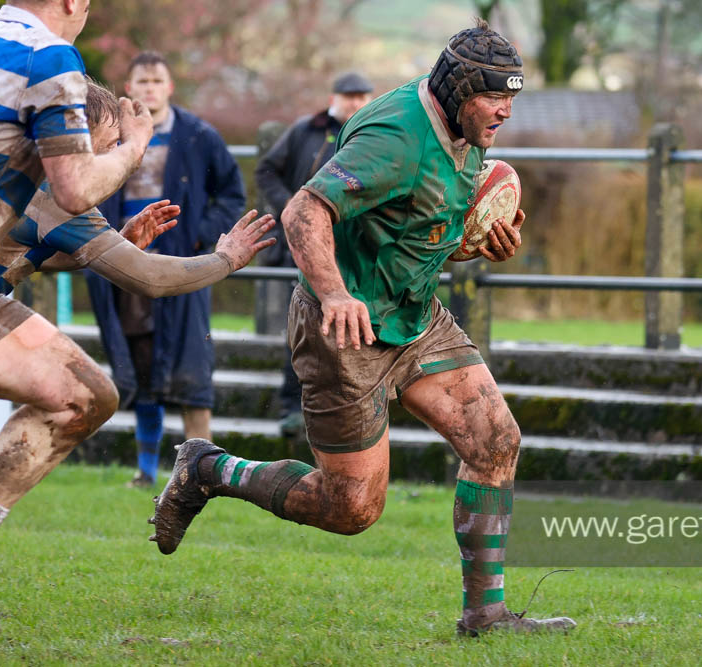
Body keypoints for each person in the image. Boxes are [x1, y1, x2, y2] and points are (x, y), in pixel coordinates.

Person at [148, 20, 575, 637]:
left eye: (513, 95)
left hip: (416, 317)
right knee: (351, 509)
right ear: (456, 88)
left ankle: (486, 614)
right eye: (493, 95)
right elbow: (304, 210)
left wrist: (475, 243)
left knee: (495, 441)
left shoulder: (467, 129)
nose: (505, 109)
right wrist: (334, 292)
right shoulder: (395, 136)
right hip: (343, 332)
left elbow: (416, 226)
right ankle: (208, 469)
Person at [0, 79, 276, 531]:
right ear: (80, 135)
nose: (120, 160)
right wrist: (225, 259)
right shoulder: (60, 190)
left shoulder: (23, 165)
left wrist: (118, 242)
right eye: (113, 144)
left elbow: (23, 250)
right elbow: (150, 278)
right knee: (81, 398)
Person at [0, 0, 154, 637]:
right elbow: (75, 188)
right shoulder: (49, 57)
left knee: (84, 395)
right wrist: (133, 147)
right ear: (72, 3)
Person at [85, 51, 247, 489]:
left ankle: (205, 473)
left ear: (169, 88)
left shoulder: (198, 137)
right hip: (122, 259)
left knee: (191, 368)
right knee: (141, 369)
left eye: (158, 80)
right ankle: (145, 470)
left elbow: (232, 194)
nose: (150, 88)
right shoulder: (109, 135)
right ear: (129, 89)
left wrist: (200, 235)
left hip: (180, 265)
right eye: (142, 81)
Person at [254, 71, 374, 436]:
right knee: (305, 329)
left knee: (348, 331)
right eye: (348, 95)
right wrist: (289, 207)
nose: (354, 103)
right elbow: (267, 170)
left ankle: (346, 412)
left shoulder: (372, 135)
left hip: (352, 248)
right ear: (334, 97)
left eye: (361, 96)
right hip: (306, 247)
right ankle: (292, 407)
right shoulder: (305, 131)